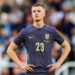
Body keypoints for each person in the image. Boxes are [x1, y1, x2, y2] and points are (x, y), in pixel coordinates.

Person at [7, 4, 71, 75]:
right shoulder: (25, 32)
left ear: (44, 14)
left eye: (38, 11)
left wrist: (58, 63)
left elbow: (67, 47)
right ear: (32, 14)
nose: (36, 13)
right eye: (34, 11)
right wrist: (20, 65)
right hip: (32, 72)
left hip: (48, 72)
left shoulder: (51, 31)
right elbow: (10, 49)